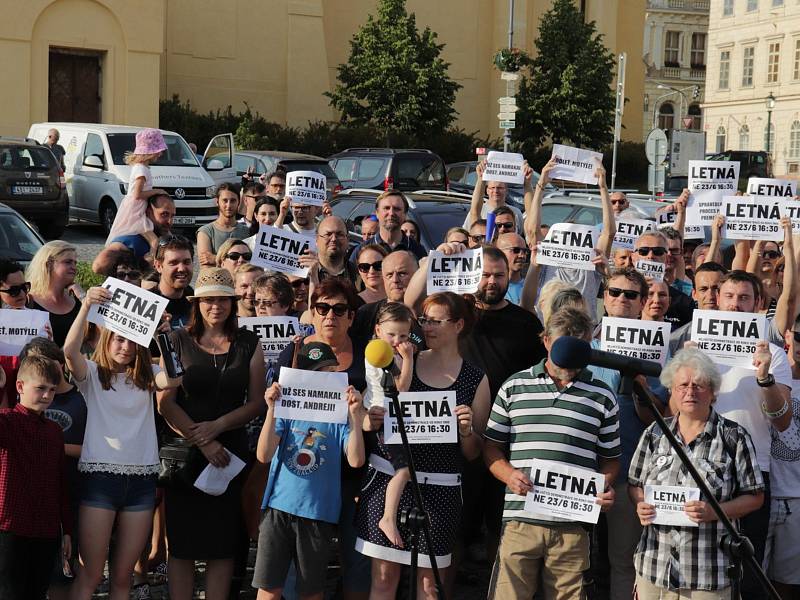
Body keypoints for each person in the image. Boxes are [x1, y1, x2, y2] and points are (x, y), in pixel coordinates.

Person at [356, 292, 489, 600]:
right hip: (389, 481)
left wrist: (466, 432)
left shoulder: (475, 378)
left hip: (441, 491)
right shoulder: (401, 360)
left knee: (430, 587)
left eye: (436, 321)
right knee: (384, 579)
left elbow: (473, 453)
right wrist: (369, 419)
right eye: (424, 320)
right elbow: (367, 410)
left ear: (458, 325)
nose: (426, 327)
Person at [484, 307, 619, 599]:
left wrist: (604, 488)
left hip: (572, 526)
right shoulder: (514, 386)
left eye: (579, 346)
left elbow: (610, 460)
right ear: (545, 341)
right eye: (563, 344)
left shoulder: (602, 394)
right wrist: (509, 475)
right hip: (520, 521)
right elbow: (491, 448)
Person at [676, 270, 792, 599]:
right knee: (692, 564)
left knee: (747, 571)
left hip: (751, 475)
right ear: (718, 300)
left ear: (758, 304)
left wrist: (765, 377)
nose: (735, 304)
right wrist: (689, 364)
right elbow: (674, 410)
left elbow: (782, 422)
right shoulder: (696, 347)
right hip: (698, 467)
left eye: (744, 298)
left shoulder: (774, 354)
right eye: (729, 296)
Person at [156, 267, 266, 600]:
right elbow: (166, 403)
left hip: (229, 455)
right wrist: (202, 440)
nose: (215, 306)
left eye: (222, 299)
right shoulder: (175, 340)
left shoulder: (249, 342)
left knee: (222, 547)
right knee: (182, 547)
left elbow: (257, 402)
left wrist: (218, 427)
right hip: (185, 454)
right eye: (208, 300)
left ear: (233, 302)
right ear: (196, 303)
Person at [63, 287, 179, 600]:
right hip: (99, 482)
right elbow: (70, 351)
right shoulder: (92, 374)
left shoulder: (148, 375)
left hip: (141, 483)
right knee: (90, 575)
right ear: (106, 339)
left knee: (123, 578)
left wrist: (163, 338)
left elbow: (175, 378)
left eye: (131, 340)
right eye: (118, 339)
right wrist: (86, 305)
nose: (125, 347)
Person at [629, 347, 765, 599]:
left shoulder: (733, 436)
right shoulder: (654, 433)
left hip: (707, 573)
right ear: (671, 390)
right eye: (682, 385)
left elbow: (755, 497)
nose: (690, 391)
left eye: (699, 385)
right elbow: (635, 484)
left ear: (713, 392)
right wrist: (641, 504)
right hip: (655, 569)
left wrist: (713, 512)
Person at [275, 278, 371, 598]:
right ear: (312, 313)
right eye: (323, 307)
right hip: (305, 477)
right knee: (298, 564)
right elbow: (278, 410)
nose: (331, 314)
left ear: (351, 317)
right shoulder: (295, 349)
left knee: (355, 558)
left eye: (340, 309)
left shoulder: (366, 353)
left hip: (352, 472)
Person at [253, 344, 366, 600]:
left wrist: (356, 418)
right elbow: (263, 455)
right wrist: (271, 409)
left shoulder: (340, 418)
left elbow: (357, 460)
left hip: (318, 514)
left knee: (310, 590)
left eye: (327, 372)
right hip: (279, 509)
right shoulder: (286, 411)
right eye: (315, 373)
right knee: (269, 589)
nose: (322, 378)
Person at [19, 338, 86, 600]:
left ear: (60, 364)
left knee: (62, 569)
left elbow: (91, 449)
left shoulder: (82, 397)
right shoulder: (28, 398)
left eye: (47, 367)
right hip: (29, 499)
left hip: (71, 494)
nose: (45, 387)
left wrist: (51, 445)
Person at [0, 355, 71, 600]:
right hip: (9, 528)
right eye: (40, 388)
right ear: (19, 387)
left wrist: (67, 529)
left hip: (46, 529)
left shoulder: (54, 431)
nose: (47, 396)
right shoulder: (8, 421)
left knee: (37, 593)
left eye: (52, 390)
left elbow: (61, 482)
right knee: (10, 593)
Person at [525, 158, 614, 315]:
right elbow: (532, 230)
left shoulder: (591, 263)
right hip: (551, 329)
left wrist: (603, 187)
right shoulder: (547, 261)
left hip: (583, 330)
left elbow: (609, 232)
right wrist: (541, 185)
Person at [360, 303, 416, 545]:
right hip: (384, 419)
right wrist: (409, 358)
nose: (397, 340)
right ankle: (387, 518)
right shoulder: (378, 353)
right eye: (391, 334)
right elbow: (402, 387)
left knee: (405, 469)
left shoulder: (386, 352)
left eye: (403, 335)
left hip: (393, 417)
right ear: (378, 330)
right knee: (403, 470)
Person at [766, 318, 800, 597]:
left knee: (788, 585)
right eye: (799, 337)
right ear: (788, 336)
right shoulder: (765, 367)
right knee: (752, 579)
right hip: (761, 492)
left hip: (797, 499)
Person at [105, 128, 168, 251]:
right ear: (150, 151)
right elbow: (137, 194)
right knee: (154, 240)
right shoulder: (142, 170)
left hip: (136, 207)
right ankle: (155, 261)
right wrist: (157, 191)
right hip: (135, 210)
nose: (160, 154)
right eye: (158, 151)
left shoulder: (141, 167)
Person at [350, 250, 421, 346]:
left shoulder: (428, 316)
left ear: (417, 275)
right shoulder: (366, 314)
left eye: (402, 273)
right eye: (389, 275)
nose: (395, 280)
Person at [93, 193, 176, 274]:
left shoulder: (163, 236)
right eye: (164, 214)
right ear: (149, 212)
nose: (170, 221)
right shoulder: (131, 238)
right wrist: (144, 265)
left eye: (172, 216)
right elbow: (98, 266)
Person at [633, 229, 694, 329]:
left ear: (666, 258)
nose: (651, 256)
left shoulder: (684, 302)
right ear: (633, 257)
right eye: (643, 251)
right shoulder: (620, 295)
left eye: (658, 251)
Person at [26, 240, 81, 347]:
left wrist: (84, 298)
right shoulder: (28, 301)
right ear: (48, 264)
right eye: (68, 262)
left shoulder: (78, 300)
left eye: (75, 262)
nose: (74, 267)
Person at [350, 191, 426, 263]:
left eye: (397, 209)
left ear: (405, 214)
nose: (391, 213)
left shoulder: (418, 250)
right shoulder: (361, 251)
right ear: (377, 213)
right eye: (386, 208)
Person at [197, 184, 251, 266]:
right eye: (225, 200)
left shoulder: (246, 231)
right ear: (217, 202)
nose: (228, 205)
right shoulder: (206, 231)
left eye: (233, 201)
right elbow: (206, 264)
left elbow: (251, 263)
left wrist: (215, 258)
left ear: (238, 202)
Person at [467, 160, 528, 233]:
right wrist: (481, 178)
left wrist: (527, 181)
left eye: (500, 188)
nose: (496, 191)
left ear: (506, 190)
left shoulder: (516, 212)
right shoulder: (479, 211)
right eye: (492, 188)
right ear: (487, 190)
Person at [152, 234, 195, 329]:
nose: (181, 269)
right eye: (173, 263)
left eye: (186, 262)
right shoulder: (144, 303)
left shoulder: (199, 302)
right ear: (158, 266)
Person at [304, 216, 359, 286]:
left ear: (347, 239)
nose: (334, 239)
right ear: (316, 239)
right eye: (328, 234)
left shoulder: (361, 274)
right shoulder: (303, 272)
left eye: (339, 234)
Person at [496, 232, 529, 305]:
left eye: (524, 251)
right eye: (516, 250)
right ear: (499, 252)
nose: (522, 255)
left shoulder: (531, 288)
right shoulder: (490, 287)